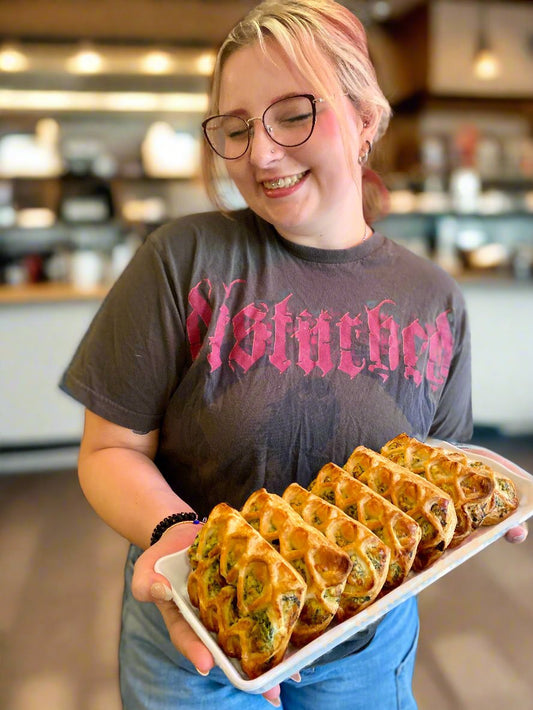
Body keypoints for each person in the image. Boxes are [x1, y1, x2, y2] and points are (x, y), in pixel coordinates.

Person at [59, 1, 528, 708]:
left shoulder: (433, 300)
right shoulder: (184, 260)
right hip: (200, 643)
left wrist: (473, 506)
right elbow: (108, 450)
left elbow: (432, 466)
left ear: (365, 119)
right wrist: (177, 536)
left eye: (292, 113)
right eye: (236, 128)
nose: (261, 153)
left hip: (364, 648)